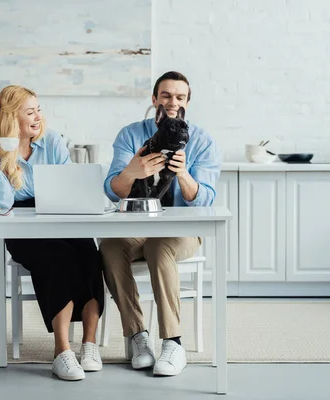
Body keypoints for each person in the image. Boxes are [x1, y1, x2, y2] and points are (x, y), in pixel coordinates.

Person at [100, 71, 222, 376]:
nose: (172, 101)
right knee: (110, 247)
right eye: (166, 95)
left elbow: (204, 199)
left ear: (186, 104)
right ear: (155, 100)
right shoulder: (130, 135)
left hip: (181, 233)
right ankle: (138, 336)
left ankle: (173, 342)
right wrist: (131, 172)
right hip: (136, 228)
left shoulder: (202, 141)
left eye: (179, 97)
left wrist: (183, 174)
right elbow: (112, 189)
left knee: (159, 245)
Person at [0, 85, 104, 381]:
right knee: (58, 257)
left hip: (61, 213)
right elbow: (5, 203)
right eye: (30, 111)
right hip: (22, 224)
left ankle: (89, 345)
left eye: (39, 109)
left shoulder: (51, 141)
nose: (38, 116)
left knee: (90, 254)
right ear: (12, 117)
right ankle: (62, 351)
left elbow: (69, 180)